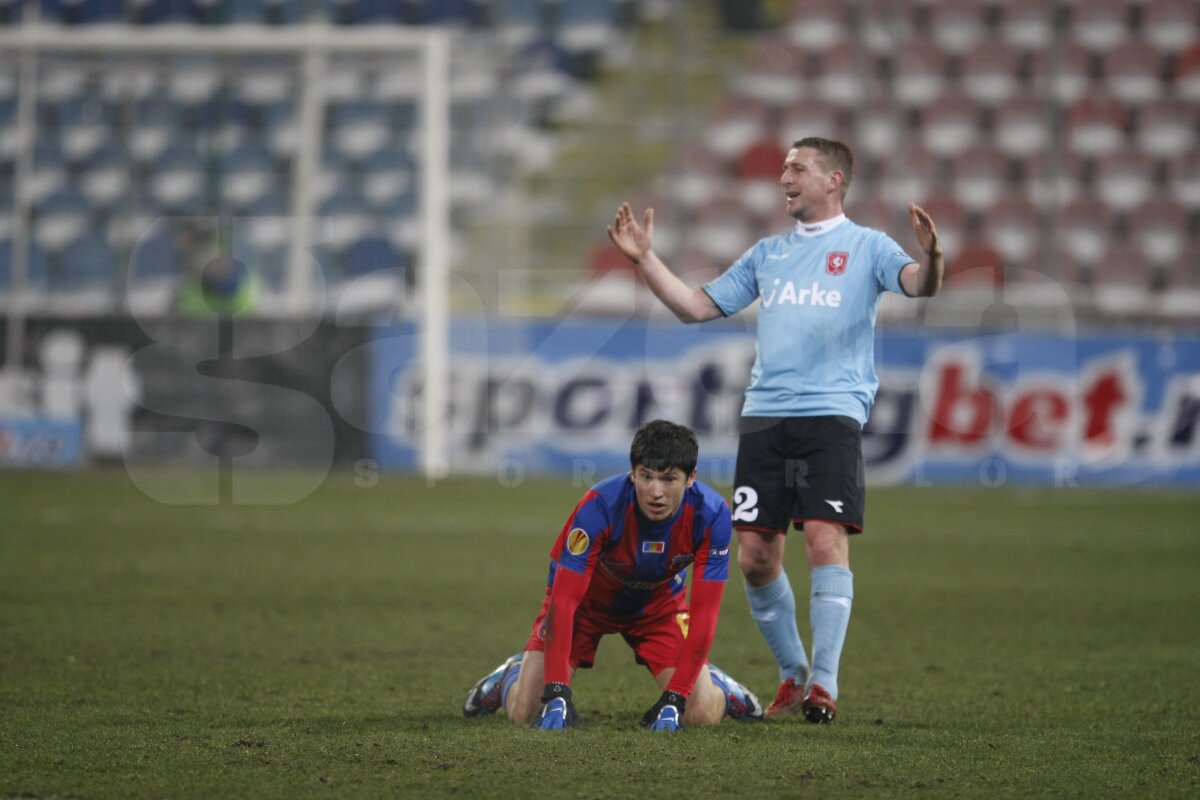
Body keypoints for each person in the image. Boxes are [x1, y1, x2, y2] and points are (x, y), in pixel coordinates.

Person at [606, 137, 943, 723]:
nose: (784, 175)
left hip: (833, 413)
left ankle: (825, 685)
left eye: (798, 167)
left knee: (823, 539)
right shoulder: (769, 254)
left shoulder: (867, 247)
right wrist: (644, 260)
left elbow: (920, 284)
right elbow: (694, 307)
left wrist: (935, 258)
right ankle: (792, 675)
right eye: (784, 167)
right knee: (756, 557)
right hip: (765, 414)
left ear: (834, 180)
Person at [462, 419, 763, 732]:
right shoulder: (599, 506)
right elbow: (563, 601)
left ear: (691, 479)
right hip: (585, 607)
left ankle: (720, 687)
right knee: (526, 711)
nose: (656, 492)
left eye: (669, 479)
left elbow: (705, 615)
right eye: (646, 476)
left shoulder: (713, 515)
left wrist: (676, 696)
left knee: (699, 714)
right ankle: (512, 674)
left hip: (657, 609)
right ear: (632, 473)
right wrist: (556, 692)